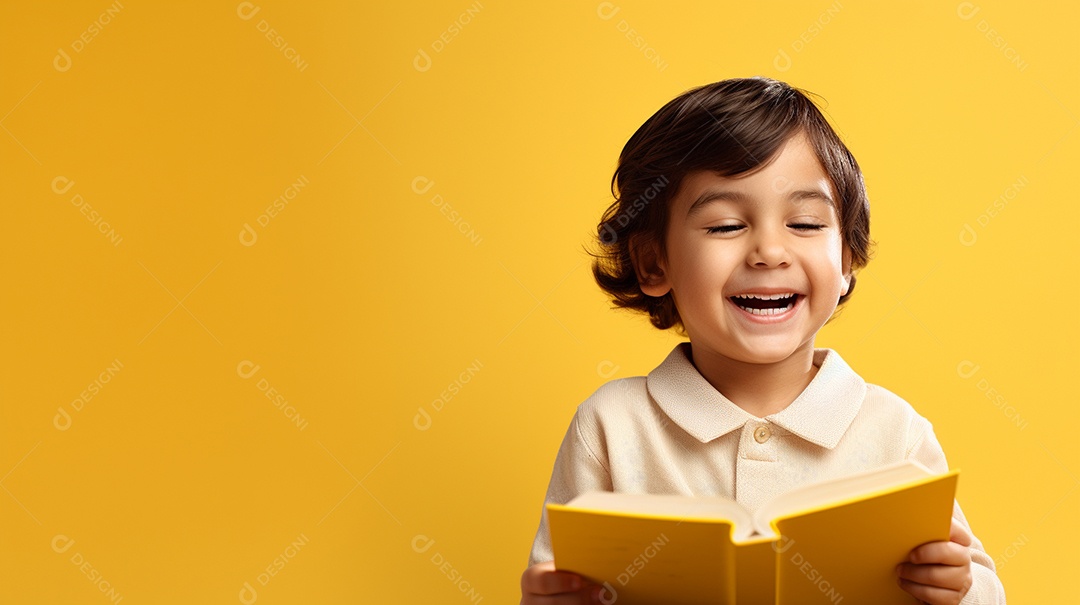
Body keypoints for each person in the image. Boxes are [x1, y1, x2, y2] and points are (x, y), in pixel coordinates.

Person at [520, 77, 1006, 604]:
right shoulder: (610, 425)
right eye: (726, 226)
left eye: (804, 222)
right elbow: (558, 583)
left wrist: (957, 587)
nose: (769, 251)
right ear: (653, 262)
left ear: (845, 263)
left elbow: (982, 588)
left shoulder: (896, 434)